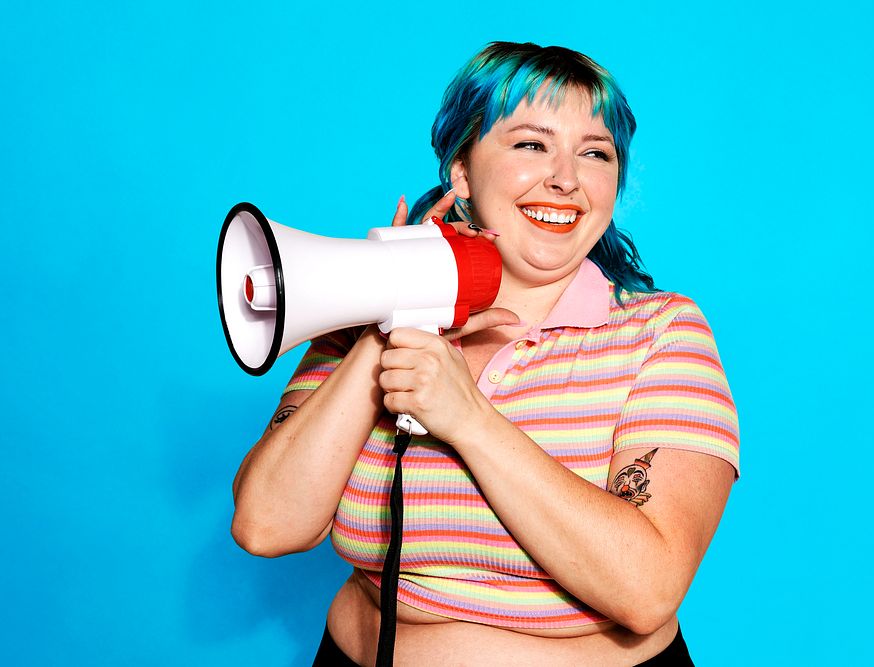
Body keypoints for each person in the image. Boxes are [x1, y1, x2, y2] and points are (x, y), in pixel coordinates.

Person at [231, 42, 740, 666]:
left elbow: (646, 587)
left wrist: (468, 419)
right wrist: (388, 317)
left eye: (595, 153)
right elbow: (266, 525)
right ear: (462, 172)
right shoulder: (357, 315)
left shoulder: (660, 333)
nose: (565, 178)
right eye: (531, 144)